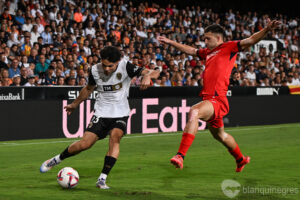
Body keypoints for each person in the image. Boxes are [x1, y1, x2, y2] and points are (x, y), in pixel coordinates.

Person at [157, 18, 281, 172]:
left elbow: (250, 40)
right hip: (210, 100)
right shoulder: (208, 53)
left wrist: (267, 29)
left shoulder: (228, 47)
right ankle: (240, 159)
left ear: (218, 38)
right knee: (220, 136)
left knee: (194, 111)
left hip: (216, 100)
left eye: (207, 38)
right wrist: (170, 42)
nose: (205, 42)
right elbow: (191, 50)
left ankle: (180, 156)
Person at [40, 46, 160, 189]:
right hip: (101, 112)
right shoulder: (95, 70)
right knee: (85, 144)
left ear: (118, 62)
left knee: (115, 137)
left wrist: (147, 75)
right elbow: (89, 88)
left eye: (110, 66)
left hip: (120, 113)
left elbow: (155, 72)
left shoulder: (126, 66)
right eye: (104, 65)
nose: (107, 69)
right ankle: (56, 159)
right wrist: (75, 104)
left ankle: (102, 179)